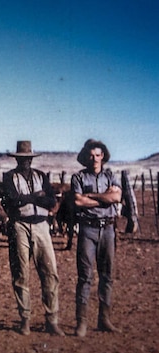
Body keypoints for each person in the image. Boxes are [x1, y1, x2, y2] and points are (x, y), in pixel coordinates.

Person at [1, 140, 64, 336]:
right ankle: (25, 318)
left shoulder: (41, 176)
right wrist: (36, 196)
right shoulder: (9, 176)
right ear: (17, 159)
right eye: (22, 159)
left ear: (31, 158)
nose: (25, 161)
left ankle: (51, 319)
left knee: (50, 272)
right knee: (21, 273)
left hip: (42, 226)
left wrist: (27, 198)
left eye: (28, 158)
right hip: (19, 225)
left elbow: (51, 201)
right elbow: (11, 201)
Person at [72, 139, 122, 336]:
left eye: (98, 155)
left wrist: (90, 197)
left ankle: (104, 319)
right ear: (86, 157)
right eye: (91, 155)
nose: (94, 158)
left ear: (103, 156)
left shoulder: (111, 176)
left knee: (106, 276)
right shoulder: (78, 177)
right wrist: (103, 197)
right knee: (85, 276)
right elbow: (77, 201)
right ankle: (81, 322)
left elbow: (116, 198)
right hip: (88, 230)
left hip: (108, 230)